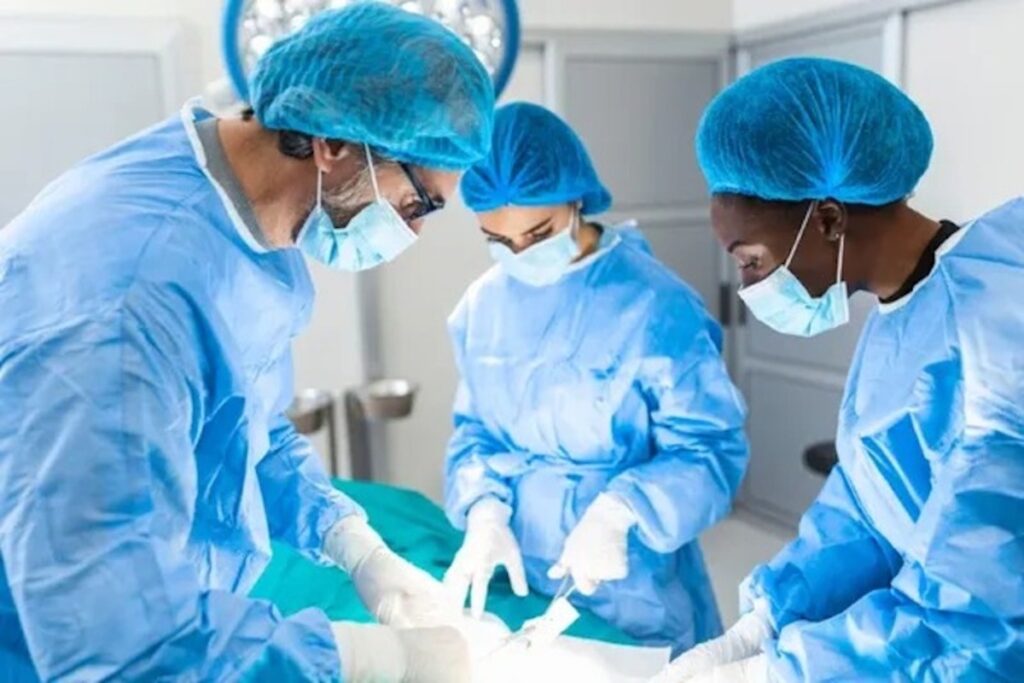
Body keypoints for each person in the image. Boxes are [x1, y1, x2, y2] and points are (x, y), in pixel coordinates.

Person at [0, 4, 494, 682]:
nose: (414, 232)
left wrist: (352, 544)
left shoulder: (248, 220)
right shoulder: (129, 304)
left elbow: (240, 422)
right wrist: (363, 660)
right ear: (335, 144)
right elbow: (120, 641)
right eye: (420, 204)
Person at [652, 57, 1024, 682]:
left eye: (751, 260)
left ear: (827, 218)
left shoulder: (994, 327)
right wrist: (772, 616)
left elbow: (981, 616)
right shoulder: (901, 314)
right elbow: (868, 508)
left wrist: (785, 670)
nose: (747, 285)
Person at [442, 102, 750, 654]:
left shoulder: (655, 304)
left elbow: (710, 448)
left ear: (576, 199)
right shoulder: (482, 307)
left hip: (632, 576)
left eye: (538, 233)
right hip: (520, 567)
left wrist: (621, 511)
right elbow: (476, 433)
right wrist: (484, 510)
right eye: (499, 241)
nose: (520, 254)